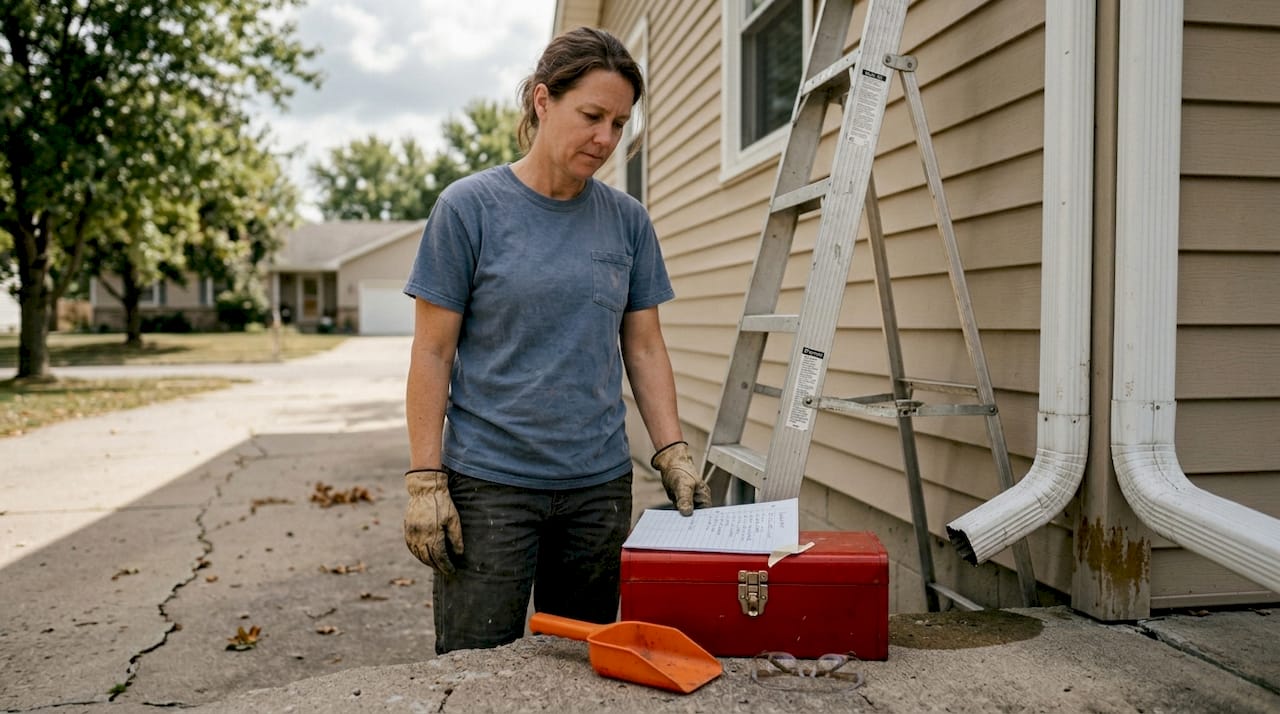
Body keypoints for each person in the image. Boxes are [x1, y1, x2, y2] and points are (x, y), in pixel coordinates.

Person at [401, 26, 712, 655]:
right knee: (475, 671)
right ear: (543, 102)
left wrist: (672, 451)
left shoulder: (627, 220)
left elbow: (645, 347)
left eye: (620, 124)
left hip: (596, 488)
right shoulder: (468, 209)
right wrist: (425, 479)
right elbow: (432, 352)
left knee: (584, 666)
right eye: (591, 116)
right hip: (490, 487)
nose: (606, 139)